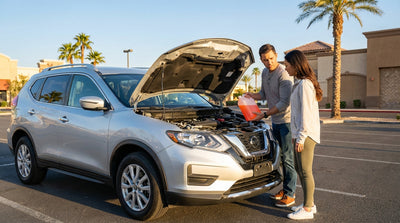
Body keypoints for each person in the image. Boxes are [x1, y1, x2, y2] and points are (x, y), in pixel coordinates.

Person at [245, 44, 297, 208]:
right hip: (275, 122)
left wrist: (265, 114)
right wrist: (251, 95)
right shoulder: (265, 72)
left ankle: (290, 194)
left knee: (288, 159)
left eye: (271, 58)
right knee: (280, 157)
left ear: (276, 55)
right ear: (261, 60)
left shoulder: (284, 74)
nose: (269, 62)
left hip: (286, 122)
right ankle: (285, 190)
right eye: (265, 60)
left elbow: (284, 102)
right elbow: (263, 95)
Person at [284, 50, 322, 220]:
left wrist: (301, 137)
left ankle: (307, 209)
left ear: (295, 64)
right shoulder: (300, 83)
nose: (286, 69)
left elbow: (306, 113)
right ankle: (309, 204)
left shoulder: (305, 85)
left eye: (287, 65)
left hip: (306, 135)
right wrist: (295, 135)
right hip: (301, 134)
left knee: (305, 171)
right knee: (300, 169)